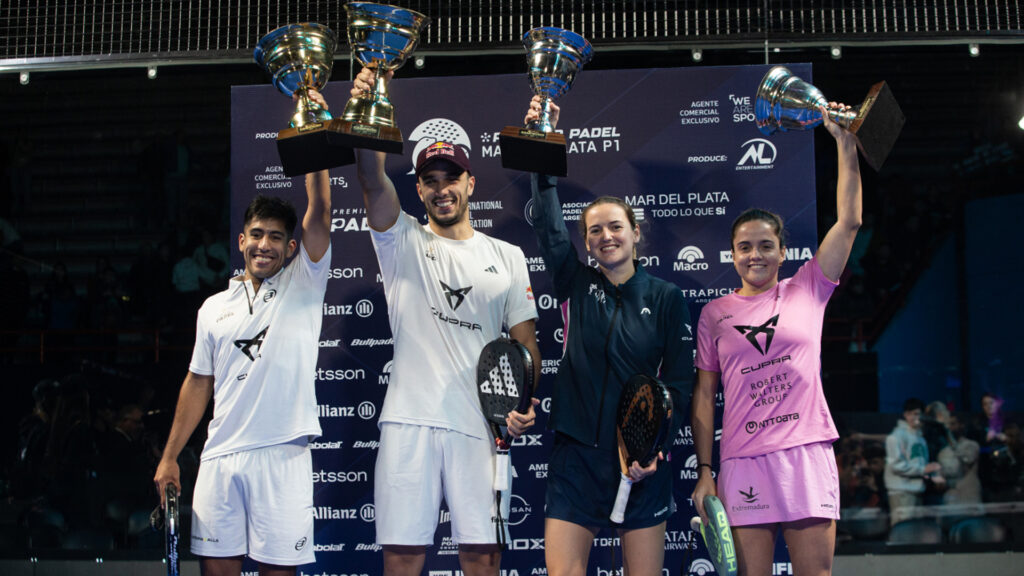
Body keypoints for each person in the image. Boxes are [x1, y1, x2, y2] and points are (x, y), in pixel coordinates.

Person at [343, 69, 542, 576]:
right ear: (420, 189)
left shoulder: (509, 255)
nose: (441, 190)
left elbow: (525, 345)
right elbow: (371, 179)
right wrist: (365, 114)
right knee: (404, 561)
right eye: (429, 182)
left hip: (482, 425)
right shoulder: (401, 239)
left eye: (450, 179)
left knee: (482, 560)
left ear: (469, 182)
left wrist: (521, 403)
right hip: (408, 422)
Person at [524, 98, 693, 576]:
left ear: (636, 234)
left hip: (641, 463)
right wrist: (544, 146)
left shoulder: (666, 297)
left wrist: (653, 450)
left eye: (615, 227)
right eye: (594, 230)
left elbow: (679, 386)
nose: (605, 236)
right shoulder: (574, 282)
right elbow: (549, 227)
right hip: (576, 458)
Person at [691, 104, 862, 575]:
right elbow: (705, 397)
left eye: (766, 245)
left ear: (783, 252)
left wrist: (844, 142)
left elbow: (848, 223)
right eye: (745, 247)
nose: (755, 255)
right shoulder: (715, 314)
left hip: (806, 451)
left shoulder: (809, 286)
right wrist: (705, 472)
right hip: (744, 460)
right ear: (732, 255)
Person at [153, 167, 332, 576]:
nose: (263, 245)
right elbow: (198, 383)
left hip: (282, 455)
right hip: (220, 459)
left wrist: (313, 150)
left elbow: (319, 211)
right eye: (256, 234)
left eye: (274, 237)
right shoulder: (213, 308)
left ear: (290, 248)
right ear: (241, 241)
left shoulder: (304, 284)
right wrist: (170, 457)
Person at [884, 398, 944, 523]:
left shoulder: (920, 437)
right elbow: (896, 465)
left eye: (918, 414)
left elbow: (919, 463)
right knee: (903, 531)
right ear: (905, 415)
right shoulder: (896, 436)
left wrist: (931, 473)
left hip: (917, 490)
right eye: (912, 413)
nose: (916, 417)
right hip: (901, 492)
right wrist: (923, 469)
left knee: (916, 531)